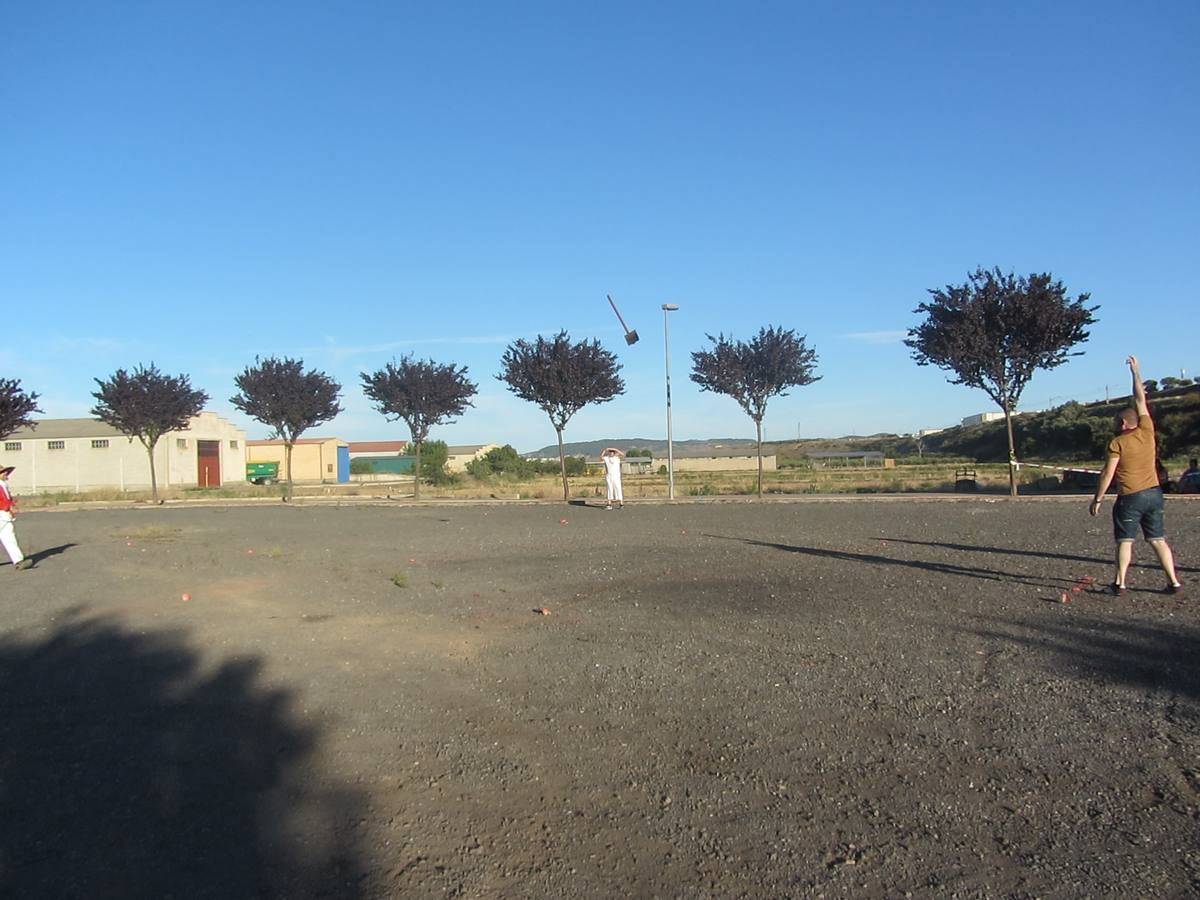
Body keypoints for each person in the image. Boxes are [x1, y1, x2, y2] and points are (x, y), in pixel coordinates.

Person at [1089, 356, 1182, 595]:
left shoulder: (1117, 442)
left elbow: (1108, 473)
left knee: (1125, 541)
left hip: (1130, 496)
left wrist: (1097, 499)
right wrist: (1136, 371)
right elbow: (1141, 398)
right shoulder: (1148, 430)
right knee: (1158, 539)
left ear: (1122, 422)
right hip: (1154, 493)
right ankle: (1173, 581)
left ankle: (1119, 583)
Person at [0, 465, 33, 570]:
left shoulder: (3, 485)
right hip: (2, 514)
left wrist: (12, 503)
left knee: (9, 537)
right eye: (3, 472)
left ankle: (18, 561)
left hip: (4, 515)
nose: (6, 474)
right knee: (9, 536)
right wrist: (9, 506)